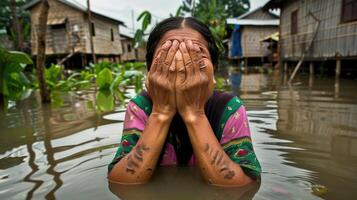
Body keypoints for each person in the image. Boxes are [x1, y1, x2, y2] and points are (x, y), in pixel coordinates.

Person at [108, 17, 261, 187]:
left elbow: (241, 185)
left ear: (214, 70)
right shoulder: (141, 106)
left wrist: (194, 114)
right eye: (168, 56)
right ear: (150, 70)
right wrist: (161, 113)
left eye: (196, 55)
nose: (181, 66)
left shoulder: (229, 107)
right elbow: (121, 181)